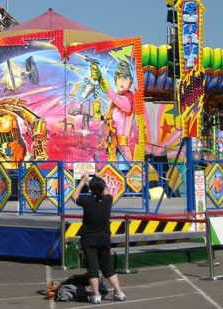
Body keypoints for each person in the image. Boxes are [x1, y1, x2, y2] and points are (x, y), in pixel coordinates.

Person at [68, 171, 126, 303]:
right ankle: (119, 292)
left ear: (91, 189)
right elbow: (105, 190)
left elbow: (74, 196)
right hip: (104, 238)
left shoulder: (87, 201)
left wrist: (83, 181)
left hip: (89, 238)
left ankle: (96, 295)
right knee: (107, 266)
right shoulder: (108, 200)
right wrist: (99, 178)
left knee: (92, 268)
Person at [91, 60, 136, 164]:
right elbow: (110, 123)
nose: (122, 81)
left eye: (125, 78)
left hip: (122, 148)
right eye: (119, 78)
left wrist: (101, 79)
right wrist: (99, 116)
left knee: (129, 175)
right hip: (113, 147)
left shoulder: (128, 99)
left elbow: (114, 96)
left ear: (130, 82)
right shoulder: (116, 104)